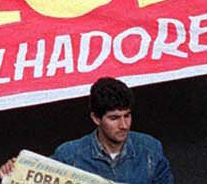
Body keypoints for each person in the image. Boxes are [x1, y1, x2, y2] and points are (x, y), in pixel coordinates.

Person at [43, 77, 174, 183]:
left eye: (127, 116)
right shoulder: (68, 156)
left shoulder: (150, 149)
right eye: (114, 118)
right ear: (96, 118)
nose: (124, 125)